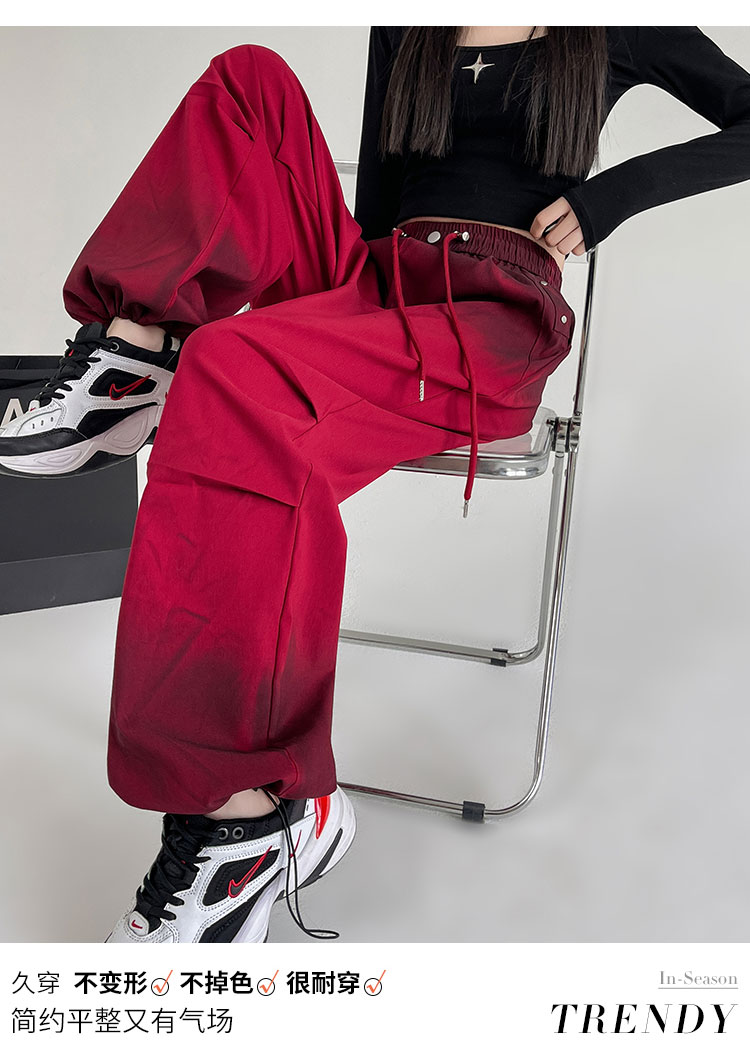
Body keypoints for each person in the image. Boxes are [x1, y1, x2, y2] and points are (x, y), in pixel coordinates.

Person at [1, 26, 749, 943]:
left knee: (230, 366)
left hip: (490, 315)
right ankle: (132, 353)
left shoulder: (611, 25)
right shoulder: (408, 26)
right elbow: (375, 210)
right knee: (250, 81)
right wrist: (330, 298)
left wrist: (609, 199)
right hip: (378, 278)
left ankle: (244, 820)